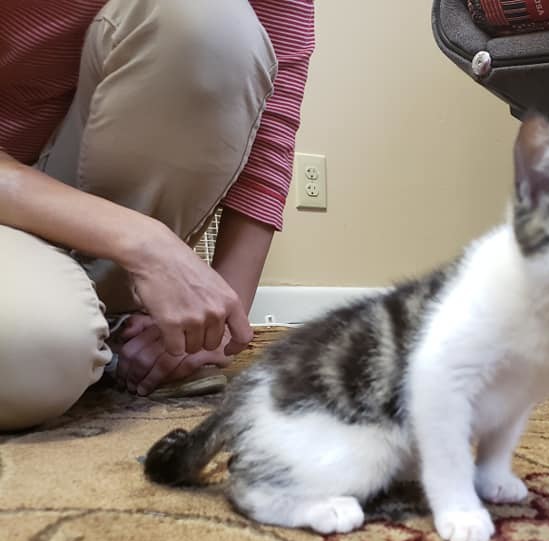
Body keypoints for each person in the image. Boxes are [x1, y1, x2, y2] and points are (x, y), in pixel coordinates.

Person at [0, 0, 315, 432]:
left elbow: (270, 127)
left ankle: (113, 324)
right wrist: (144, 244)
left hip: (74, 196)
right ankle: (72, 333)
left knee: (209, 22)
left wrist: (220, 323)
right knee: (37, 355)